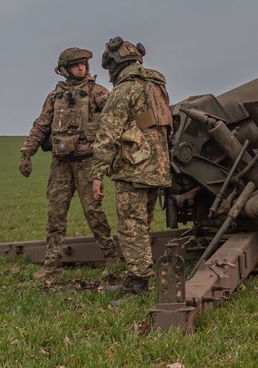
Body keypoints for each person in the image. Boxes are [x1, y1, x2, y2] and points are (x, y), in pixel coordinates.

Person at [20, 47, 120, 280]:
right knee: (55, 214)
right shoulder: (55, 97)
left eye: (84, 64)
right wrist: (27, 152)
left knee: (93, 213)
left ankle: (112, 258)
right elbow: (41, 125)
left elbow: (115, 116)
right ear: (64, 69)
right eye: (76, 65)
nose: (81, 68)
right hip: (61, 164)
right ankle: (52, 264)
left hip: (87, 163)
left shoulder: (97, 92)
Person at [91, 37, 172, 296]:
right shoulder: (157, 85)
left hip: (134, 168)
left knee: (131, 227)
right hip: (158, 167)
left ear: (114, 64)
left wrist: (97, 173)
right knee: (142, 224)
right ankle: (134, 277)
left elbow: (108, 132)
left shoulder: (125, 89)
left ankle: (138, 286)